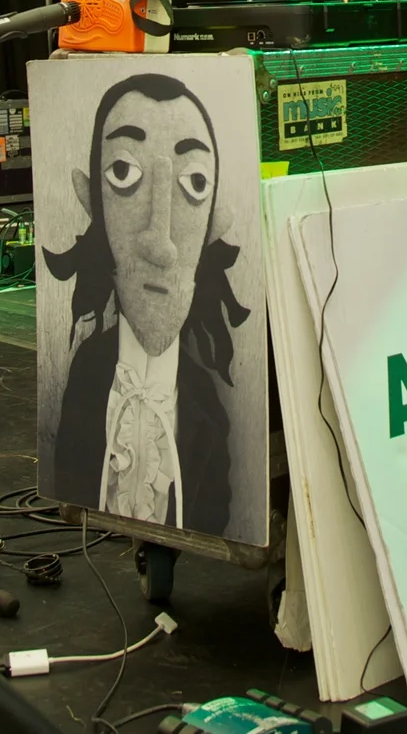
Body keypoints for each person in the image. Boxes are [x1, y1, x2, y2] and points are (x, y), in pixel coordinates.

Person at [43, 72, 251, 538]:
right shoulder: (88, 376)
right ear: (93, 199)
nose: (161, 244)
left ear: (212, 224)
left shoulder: (205, 408)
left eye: (194, 181)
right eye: (124, 172)